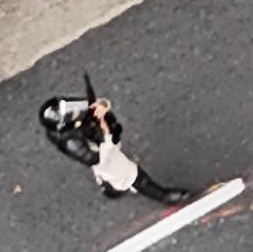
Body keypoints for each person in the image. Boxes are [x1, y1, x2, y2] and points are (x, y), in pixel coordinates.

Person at [38, 84, 196, 205]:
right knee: (131, 175)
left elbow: (96, 105)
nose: (76, 109)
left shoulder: (74, 119)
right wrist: (106, 134)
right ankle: (162, 195)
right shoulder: (71, 141)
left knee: (118, 158)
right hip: (104, 152)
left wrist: (101, 108)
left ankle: (110, 183)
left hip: (101, 139)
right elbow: (96, 158)